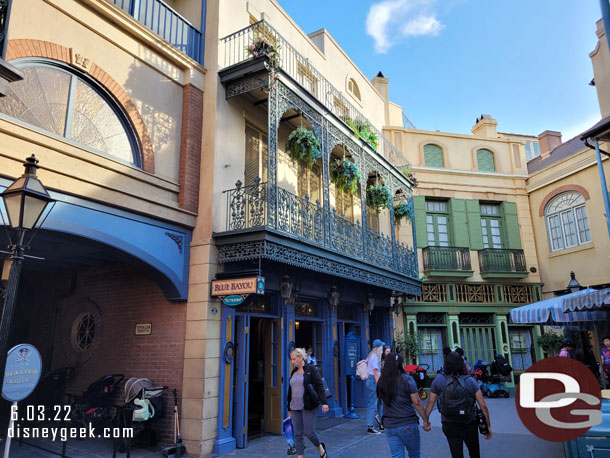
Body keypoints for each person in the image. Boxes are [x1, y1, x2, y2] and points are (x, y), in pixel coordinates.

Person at [424, 351, 492, 458]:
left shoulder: (439, 379)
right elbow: (482, 405)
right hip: (469, 422)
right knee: (474, 452)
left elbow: (431, 401)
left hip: (449, 422)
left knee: (456, 454)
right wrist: (487, 425)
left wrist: (425, 420)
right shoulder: (470, 380)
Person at [377, 352, 430, 458]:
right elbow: (417, 402)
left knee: (396, 455)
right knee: (414, 454)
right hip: (406, 422)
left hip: (389, 424)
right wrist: (425, 420)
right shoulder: (407, 379)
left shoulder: (382, 380)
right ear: (400, 364)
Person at [287, 348, 329, 458]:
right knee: (297, 433)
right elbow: (290, 390)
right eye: (291, 360)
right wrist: (289, 408)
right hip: (295, 406)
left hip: (308, 405)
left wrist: (324, 402)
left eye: (293, 359)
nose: (292, 362)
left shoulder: (311, 369)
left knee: (309, 432)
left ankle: (319, 446)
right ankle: (300, 456)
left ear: (301, 357)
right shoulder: (293, 371)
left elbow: (320, 385)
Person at [366, 339, 385, 434]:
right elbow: (376, 373)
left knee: (377, 403)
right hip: (373, 381)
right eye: (382, 347)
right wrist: (380, 385)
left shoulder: (371, 356)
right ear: (378, 348)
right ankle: (370, 426)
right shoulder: (375, 358)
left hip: (371, 380)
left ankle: (380, 422)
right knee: (372, 405)